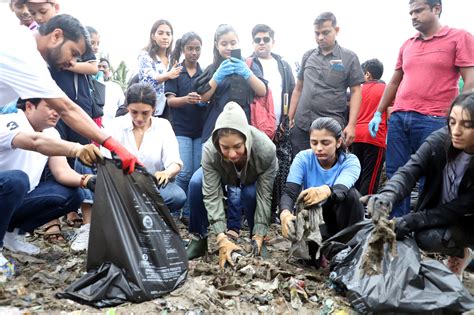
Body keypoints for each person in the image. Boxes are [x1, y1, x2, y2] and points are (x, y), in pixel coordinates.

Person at [368, 0, 474, 217]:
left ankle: (426, 227)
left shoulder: (458, 37)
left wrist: (458, 116)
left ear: (436, 9)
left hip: (434, 119)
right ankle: (396, 229)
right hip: (399, 118)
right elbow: (395, 82)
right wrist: (379, 112)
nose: (413, 16)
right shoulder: (408, 44)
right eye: (411, 13)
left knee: (432, 175)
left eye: (418, 10)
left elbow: (470, 79)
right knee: (397, 173)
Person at [0, 11, 138, 173]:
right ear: (56, 36)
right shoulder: (24, 53)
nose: (72, 62)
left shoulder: (31, 54)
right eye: (73, 53)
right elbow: (66, 109)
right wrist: (113, 145)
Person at [368, 92, 474, 281]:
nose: (456, 131)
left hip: (467, 219)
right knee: (424, 236)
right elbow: (409, 171)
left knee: (426, 234)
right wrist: (387, 196)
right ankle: (460, 253)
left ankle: (467, 255)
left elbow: (457, 208)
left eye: (467, 125)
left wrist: (409, 221)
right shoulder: (439, 141)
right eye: (452, 121)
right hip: (444, 213)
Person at [0, 97, 101, 268]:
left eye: (58, 108)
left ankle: (12, 233)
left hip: (18, 198)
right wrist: (76, 148)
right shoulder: (10, 122)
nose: (57, 113)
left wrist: (87, 180)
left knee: (74, 194)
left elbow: (61, 171)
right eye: (50, 107)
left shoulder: (52, 133)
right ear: (30, 106)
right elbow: (35, 142)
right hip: (6, 190)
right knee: (17, 180)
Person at [194, 24, 267, 238]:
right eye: (224, 43)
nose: (228, 47)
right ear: (216, 45)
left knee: (239, 176)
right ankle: (209, 227)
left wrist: (245, 73)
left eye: (232, 43)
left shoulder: (251, 65)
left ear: (239, 43)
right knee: (210, 177)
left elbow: (262, 90)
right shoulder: (211, 68)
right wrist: (216, 77)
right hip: (215, 128)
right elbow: (202, 98)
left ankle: (236, 226)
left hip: (243, 129)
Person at [186, 102, 277, 268]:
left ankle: (257, 239)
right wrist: (221, 237)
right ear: (217, 143)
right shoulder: (209, 151)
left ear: (246, 140)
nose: (232, 154)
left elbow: (265, 196)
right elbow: (211, 195)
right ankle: (199, 238)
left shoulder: (266, 150)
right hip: (223, 174)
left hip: (251, 177)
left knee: (251, 193)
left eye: (237, 147)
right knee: (196, 183)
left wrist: (260, 233)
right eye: (225, 148)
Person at [279, 117, 364, 262]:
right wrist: (285, 213)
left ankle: (349, 248)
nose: (319, 148)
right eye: (314, 143)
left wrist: (325, 191)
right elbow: (289, 192)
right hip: (315, 217)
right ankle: (320, 251)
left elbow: (341, 192)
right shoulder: (303, 159)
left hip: (340, 219)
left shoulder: (350, 161)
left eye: (325, 143)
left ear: (338, 142)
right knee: (312, 259)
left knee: (352, 196)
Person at [102, 82, 186, 216]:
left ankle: (138, 218)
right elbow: (105, 162)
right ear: (127, 107)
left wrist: (166, 173)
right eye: (134, 112)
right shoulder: (115, 126)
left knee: (176, 196)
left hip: (152, 185)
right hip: (121, 185)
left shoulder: (163, 126)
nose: (139, 118)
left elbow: (174, 162)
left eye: (145, 113)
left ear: (154, 109)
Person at [288, 12, 364, 156]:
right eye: (317, 33)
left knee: (328, 170)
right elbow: (298, 89)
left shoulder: (349, 57)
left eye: (325, 32)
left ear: (337, 30)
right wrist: (289, 118)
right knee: (300, 168)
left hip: (330, 127)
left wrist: (352, 125)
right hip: (302, 125)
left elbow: (356, 92)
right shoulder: (307, 56)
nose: (320, 37)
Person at [165, 32, 206, 225]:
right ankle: (173, 212)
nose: (194, 52)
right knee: (183, 172)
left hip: (200, 129)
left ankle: (188, 213)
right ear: (183, 49)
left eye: (197, 48)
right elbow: (170, 101)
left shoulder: (204, 72)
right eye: (190, 48)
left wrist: (201, 101)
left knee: (197, 172)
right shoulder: (176, 72)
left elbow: (208, 98)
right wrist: (187, 99)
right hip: (180, 129)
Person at [249, 24, 295, 132]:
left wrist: (290, 117)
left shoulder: (284, 66)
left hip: (281, 125)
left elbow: (293, 92)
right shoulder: (247, 65)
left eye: (266, 39)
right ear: (253, 43)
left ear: (273, 42)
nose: (261, 42)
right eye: (257, 40)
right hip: (256, 126)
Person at [352, 59, 387, 196]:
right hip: (374, 137)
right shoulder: (385, 89)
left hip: (356, 136)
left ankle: (353, 207)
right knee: (370, 177)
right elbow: (390, 113)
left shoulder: (357, 90)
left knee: (356, 174)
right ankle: (364, 209)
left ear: (367, 74)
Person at [138, 19, 182, 118]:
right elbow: (148, 79)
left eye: (168, 34)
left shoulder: (174, 58)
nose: (165, 37)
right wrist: (168, 75)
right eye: (160, 33)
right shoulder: (145, 55)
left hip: (170, 110)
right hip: (149, 107)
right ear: (153, 36)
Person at [98, 58, 126, 128]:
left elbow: (123, 106)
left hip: (111, 128)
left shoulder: (116, 87)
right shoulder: (89, 85)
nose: (101, 69)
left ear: (109, 71)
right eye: (98, 66)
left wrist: (114, 121)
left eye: (104, 67)